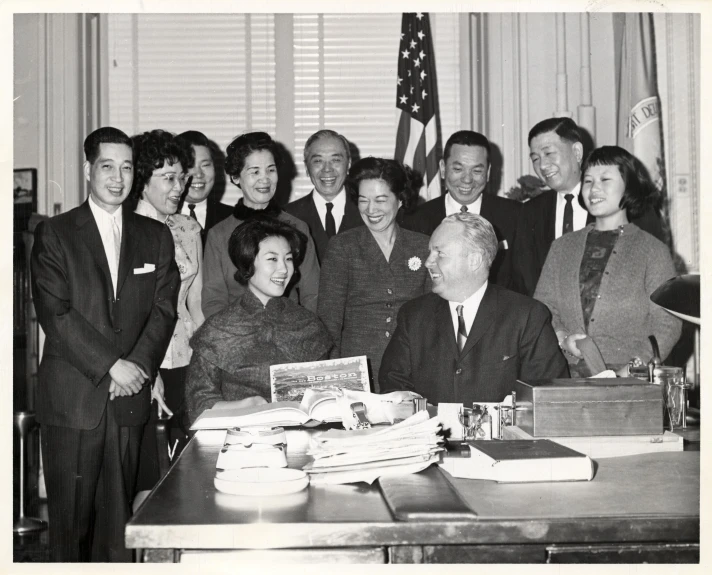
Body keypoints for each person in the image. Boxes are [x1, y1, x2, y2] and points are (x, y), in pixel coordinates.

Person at [30, 127, 179, 561]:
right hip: (74, 400)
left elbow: (163, 311)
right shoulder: (56, 233)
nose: (118, 177)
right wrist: (113, 364)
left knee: (118, 531)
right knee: (70, 533)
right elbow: (56, 313)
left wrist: (136, 367)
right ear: (88, 170)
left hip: (127, 398)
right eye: (107, 166)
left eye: (127, 167)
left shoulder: (155, 236)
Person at [380, 213, 568, 404]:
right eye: (430, 252)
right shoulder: (413, 316)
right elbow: (394, 385)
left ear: (474, 260)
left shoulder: (526, 316)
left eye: (439, 253)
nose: (428, 262)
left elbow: (547, 395)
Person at [534, 146, 682, 376]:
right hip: (566, 378)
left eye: (605, 179)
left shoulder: (652, 251)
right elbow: (543, 310)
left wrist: (632, 371)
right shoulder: (562, 247)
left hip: (631, 384)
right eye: (588, 181)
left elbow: (667, 325)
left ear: (629, 187)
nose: (594, 189)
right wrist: (564, 339)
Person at [186, 217, 332, 422]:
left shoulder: (309, 324)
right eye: (272, 259)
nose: (284, 269)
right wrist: (245, 406)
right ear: (247, 264)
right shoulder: (217, 328)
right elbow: (198, 406)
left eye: (288, 259)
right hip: (238, 442)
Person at [511, 117, 666, 296]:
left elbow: (655, 281)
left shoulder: (628, 205)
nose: (543, 165)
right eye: (535, 158)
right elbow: (521, 284)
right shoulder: (529, 213)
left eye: (549, 153)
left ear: (577, 152)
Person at [317, 157, 432, 390]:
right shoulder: (343, 247)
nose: (371, 210)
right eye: (363, 200)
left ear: (400, 199)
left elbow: (432, 317)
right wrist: (336, 378)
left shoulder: (423, 246)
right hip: (358, 372)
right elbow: (329, 321)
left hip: (411, 369)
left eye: (380, 200)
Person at [131, 129, 204, 489]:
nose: (180, 187)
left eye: (182, 177)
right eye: (169, 178)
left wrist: (209, 361)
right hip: (147, 363)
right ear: (142, 180)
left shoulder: (188, 227)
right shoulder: (126, 231)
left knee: (189, 468)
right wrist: (148, 372)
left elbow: (197, 302)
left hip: (186, 358)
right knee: (150, 474)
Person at [202, 131, 320, 318]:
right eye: (254, 171)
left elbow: (313, 295)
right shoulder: (218, 234)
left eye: (271, 170)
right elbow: (213, 300)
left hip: (290, 333)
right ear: (235, 177)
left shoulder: (298, 227)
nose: (264, 179)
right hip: (235, 337)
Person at [400, 130, 521, 287]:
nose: (467, 179)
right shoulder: (415, 220)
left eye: (477, 171)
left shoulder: (516, 215)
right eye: (458, 169)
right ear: (443, 168)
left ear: (488, 172)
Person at [284, 129, 363, 264]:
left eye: (335, 160)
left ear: (349, 164)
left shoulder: (368, 210)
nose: (327, 169)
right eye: (318, 161)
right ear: (306, 167)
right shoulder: (287, 216)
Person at [177, 130, 233, 247]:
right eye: (190, 166)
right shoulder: (160, 217)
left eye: (205, 165)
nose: (198, 174)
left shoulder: (232, 218)